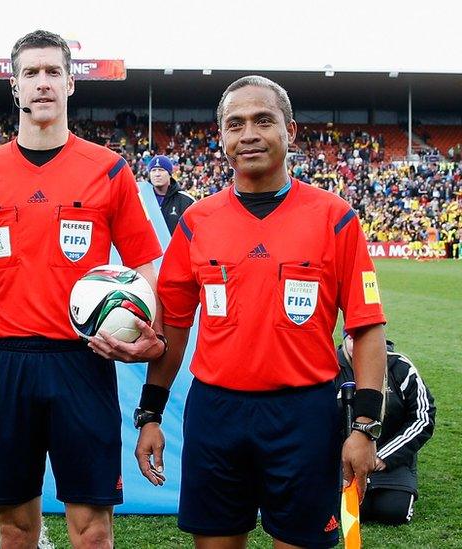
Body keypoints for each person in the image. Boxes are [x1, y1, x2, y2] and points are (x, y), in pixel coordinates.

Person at [133, 75, 388, 549]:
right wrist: (150, 412)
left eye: (262, 120)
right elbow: (174, 323)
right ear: (222, 139)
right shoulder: (196, 221)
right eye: (235, 124)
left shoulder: (335, 217)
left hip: (304, 415)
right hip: (216, 412)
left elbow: (366, 326)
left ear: (290, 130)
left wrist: (365, 427)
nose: (248, 133)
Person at [0, 30, 164, 549]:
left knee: (93, 531)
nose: (43, 83)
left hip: (83, 362)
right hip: (4, 364)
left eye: (53, 72)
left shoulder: (108, 170)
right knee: (13, 529)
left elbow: (147, 263)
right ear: (15, 87)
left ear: (71, 83)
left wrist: (149, 330)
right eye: (31, 73)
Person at [337, 334, 436, 525]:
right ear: (344, 339)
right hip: (346, 463)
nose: (358, 344)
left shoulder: (400, 367)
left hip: (391, 461)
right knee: (351, 510)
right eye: (352, 339)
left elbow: (423, 417)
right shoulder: (331, 366)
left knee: (393, 512)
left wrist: (384, 457)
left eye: (364, 338)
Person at [147, 154, 195, 235]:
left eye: (161, 170)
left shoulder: (186, 201)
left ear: (170, 174)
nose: (157, 174)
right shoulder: (141, 199)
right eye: (153, 170)